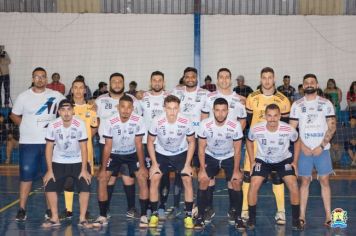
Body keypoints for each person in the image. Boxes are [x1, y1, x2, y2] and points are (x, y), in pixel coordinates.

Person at [10, 67, 65, 221]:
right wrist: (25, 125)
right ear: (33, 78)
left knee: (49, 177)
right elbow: (14, 115)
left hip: (50, 144)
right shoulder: (23, 96)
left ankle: (49, 210)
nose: (40, 79)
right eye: (37, 77)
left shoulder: (56, 95)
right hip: (29, 144)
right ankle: (21, 209)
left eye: (43, 77)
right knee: (26, 177)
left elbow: (69, 108)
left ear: (46, 79)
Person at [242, 67, 290, 225]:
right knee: (248, 176)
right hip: (256, 145)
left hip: (278, 145)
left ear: (274, 78)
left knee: (277, 176)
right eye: (264, 77)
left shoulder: (283, 100)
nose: (267, 80)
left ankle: (281, 212)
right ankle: (245, 210)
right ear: (260, 79)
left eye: (270, 77)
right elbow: (249, 121)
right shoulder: (252, 97)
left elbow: (286, 125)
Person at [93, 95, 149, 228]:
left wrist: (142, 166)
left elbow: (139, 144)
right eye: (123, 107)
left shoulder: (139, 120)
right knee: (102, 179)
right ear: (118, 107)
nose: (125, 110)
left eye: (129, 107)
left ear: (133, 109)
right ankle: (102, 215)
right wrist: (102, 169)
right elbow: (107, 145)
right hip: (114, 153)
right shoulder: (109, 121)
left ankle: (143, 215)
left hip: (132, 153)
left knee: (142, 177)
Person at [246, 104, 304, 231]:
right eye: (269, 116)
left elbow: (298, 141)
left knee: (293, 184)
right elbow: (249, 141)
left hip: (283, 160)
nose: (272, 119)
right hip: (263, 160)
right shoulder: (256, 129)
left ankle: (295, 220)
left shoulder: (288, 129)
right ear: (265, 116)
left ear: (280, 116)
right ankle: (251, 219)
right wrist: (252, 161)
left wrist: (294, 162)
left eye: (275, 116)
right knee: (254, 183)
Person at [290, 73, 336, 227]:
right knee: (304, 181)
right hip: (304, 150)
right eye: (306, 82)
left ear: (317, 85)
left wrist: (321, 146)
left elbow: (332, 126)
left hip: (322, 150)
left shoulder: (326, 103)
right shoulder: (296, 105)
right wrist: (302, 146)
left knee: (324, 180)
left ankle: (329, 216)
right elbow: (292, 129)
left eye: (312, 82)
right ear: (303, 86)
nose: (309, 84)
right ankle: (302, 216)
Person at [201, 68, 246, 223]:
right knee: (208, 178)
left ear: (231, 79)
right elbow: (203, 119)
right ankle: (207, 208)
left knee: (233, 179)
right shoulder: (209, 97)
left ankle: (234, 210)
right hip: (211, 148)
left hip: (230, 147)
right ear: (217, 79)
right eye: (221, 77)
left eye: (227, 77)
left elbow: (243, 121)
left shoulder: (238, 100)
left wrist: (233, 135)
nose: (224, 80)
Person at [95, 73, 141, 219]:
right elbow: (93, 120)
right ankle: (105, 210)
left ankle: (131, 208)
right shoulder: (100, 100)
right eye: (113, 81)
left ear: (124, 84)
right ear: (109, 84)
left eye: (119, 81)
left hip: (128, 146)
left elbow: (138, 119)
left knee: (129, 177)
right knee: (109, 178)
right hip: (106, 145)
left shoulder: (133, 100)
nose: (116, 84)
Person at [195, 98, 244, 231]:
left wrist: (236, 170)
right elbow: (201, 148)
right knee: (204, 180)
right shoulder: (205, 124)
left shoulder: (235, 125)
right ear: (213, 111)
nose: (220, 114)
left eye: (223, 110)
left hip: (229, 155)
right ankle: (200, 216)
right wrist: (201, 170)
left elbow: (238, 149)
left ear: (228, 111)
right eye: (217, 110)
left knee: (236, 181)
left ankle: (237, 216)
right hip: (211, 155)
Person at [147, 95, 195, 229]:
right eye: (169, 108)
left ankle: (188, 216)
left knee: (187, 179)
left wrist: (187, 164)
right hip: (162, 154)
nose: (172, 112)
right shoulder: (157, 121)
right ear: (164, 108)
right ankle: (155, 214)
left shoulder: (186, 121)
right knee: (155, 177)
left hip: (180, 154)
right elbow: (150, 142)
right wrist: (154, 164)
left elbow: (192, 142)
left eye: (175, 108)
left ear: (179, 108)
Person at [42, 99, 91, 228]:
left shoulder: (79, 124)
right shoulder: (53, 125)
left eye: (69, 109)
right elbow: (48, 148)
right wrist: (50, 170)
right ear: (59, 112)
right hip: (58, 161)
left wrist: (84, 169)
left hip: (78, 161)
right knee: (49, 183)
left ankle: (82, 218)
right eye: (63, 110)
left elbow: (84, 147)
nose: (66, 113)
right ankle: (54, 218)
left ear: (73, 111)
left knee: (85, 184)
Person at [171, 67, 209, 219]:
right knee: (183, 171)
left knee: (199, 171)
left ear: (197, 78)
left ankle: (198, 204)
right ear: (184, 78)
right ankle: (179, 204)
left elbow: (220, 97)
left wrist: (240, 97)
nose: (190, 79)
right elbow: (161, 98)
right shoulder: (177, 92)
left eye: (193, 76)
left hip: (199, 137)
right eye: (187, 76)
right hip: (181, 136)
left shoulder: (205, 93)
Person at [59, 77, 98, 220]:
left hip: (85, 152)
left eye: (81, 87)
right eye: (75, 87)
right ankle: (68, 210)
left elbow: (94, 129)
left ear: (85, 90)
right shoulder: (66, 109)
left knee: (84, 182)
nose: (78, 90)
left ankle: (84, 211)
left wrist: (85, 139)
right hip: (68, 153)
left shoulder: (91, 108)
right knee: (68, 181)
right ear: (71, 90)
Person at [139, 71, 171, 219]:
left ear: (163, 83)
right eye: (154, 80)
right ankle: (151, 207)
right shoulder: (142, 98)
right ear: (150, 82)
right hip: (147, 143)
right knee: (147, 176)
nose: (157, 83)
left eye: (160, 80)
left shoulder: (169, 97)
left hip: (164, 144)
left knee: (163, 176)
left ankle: (162, 206)